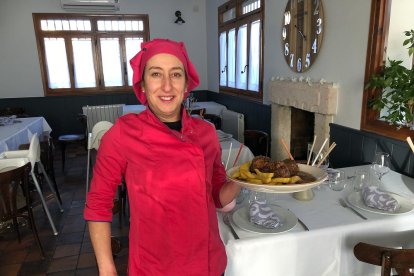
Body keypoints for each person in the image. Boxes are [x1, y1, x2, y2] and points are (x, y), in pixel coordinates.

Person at [84, 38, 241, 275]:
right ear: (143, 85)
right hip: (154, 267)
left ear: (186, 84)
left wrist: (243, 180)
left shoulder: (206, 133)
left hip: (208, 262)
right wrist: (107, 269)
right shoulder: (122, 134)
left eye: (176, 75)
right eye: (156, 74)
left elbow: (217, 197)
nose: (167, 86)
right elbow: (98, 205)